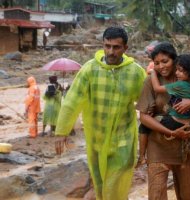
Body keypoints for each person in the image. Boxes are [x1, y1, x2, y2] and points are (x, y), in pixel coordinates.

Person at [54, 26, 146, 200]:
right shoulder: (90, 70)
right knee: (100, 185)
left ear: (125, 48)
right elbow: (72, 100)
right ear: (102, 45)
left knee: (114, 185)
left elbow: (148, 100)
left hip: (123, 140)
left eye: (116, 47)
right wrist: (62, 131)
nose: (111, 51)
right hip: (96, 139)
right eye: (107, 46)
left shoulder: (134, 72)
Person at [136, 42, 190, 200]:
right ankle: (141, 156)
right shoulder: (151, 81)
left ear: (175, 60)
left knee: (189, 195)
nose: (161, 67)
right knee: (156, 195)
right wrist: (171, 132)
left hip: (186, 148)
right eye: (156, 63)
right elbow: (143, 117)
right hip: (158, 146)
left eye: (165, 61)